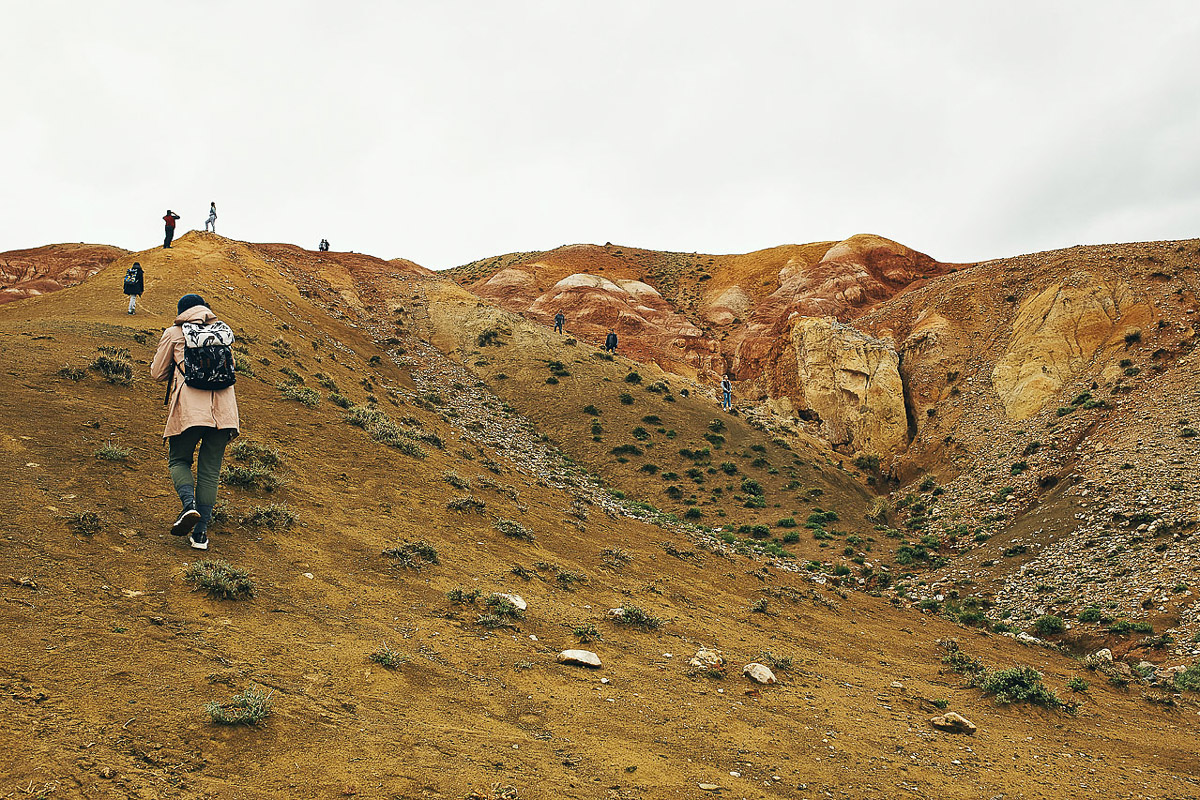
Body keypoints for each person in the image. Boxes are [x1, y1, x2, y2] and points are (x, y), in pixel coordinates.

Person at [150, 294, 240, 550]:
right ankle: (200, 535)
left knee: (179, 460)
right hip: (224, 414)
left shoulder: (174, 332)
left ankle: (188, 507)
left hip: (189, 412)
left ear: (181, 312)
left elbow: (157, 373)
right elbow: (232, 369)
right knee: (210, 472)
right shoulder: (222, 332)